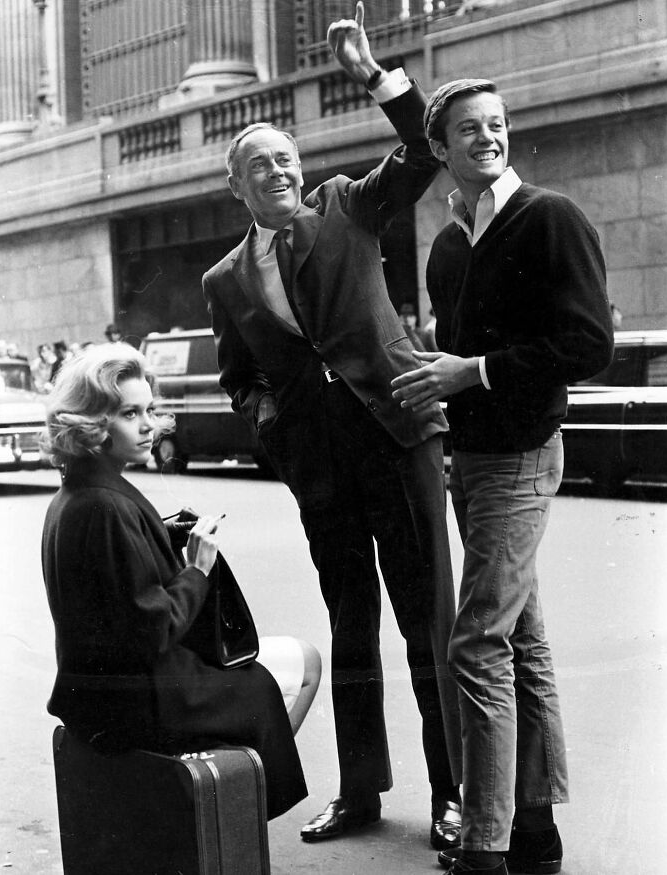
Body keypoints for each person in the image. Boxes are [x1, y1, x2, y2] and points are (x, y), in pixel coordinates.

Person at [203, 1, 462, 850]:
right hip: (324, 472)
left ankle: (453, 793)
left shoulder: (349, 205)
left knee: (427, 620)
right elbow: (240, 380)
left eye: (286, 158)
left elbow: (424, 149)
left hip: (397, 442)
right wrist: (279, 431)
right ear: (236, 187)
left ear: (301, 166)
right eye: (259, 166)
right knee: (351, 629)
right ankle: (361, 789)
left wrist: (374, 76)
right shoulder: (225, 280)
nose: (278, 170)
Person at [391, 79, 614, 873]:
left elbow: (590, 347)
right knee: (521, 637)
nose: (488, 137)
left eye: (497, 125)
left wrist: (473, 371)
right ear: (442, 149)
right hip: (471, 462)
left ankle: (486, 846)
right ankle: (536, 831)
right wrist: (440, 374)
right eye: (469, 129)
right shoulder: (449, 246)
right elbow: (450, 357)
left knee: (477, 641)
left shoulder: (550, 218)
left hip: (521, 457)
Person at [40, 343, 321, 821]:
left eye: (149, 409)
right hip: (143, 702)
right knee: (302, 665)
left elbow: (115, 591)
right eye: (130, 413)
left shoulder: (76, 495)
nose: (149, 424)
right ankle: (233, 810)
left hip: (101, 699)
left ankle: (232, 803)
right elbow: (151, 629)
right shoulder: (106, 506)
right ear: (91, 425)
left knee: (274, 673)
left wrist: (161, 538)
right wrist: (198, 568)